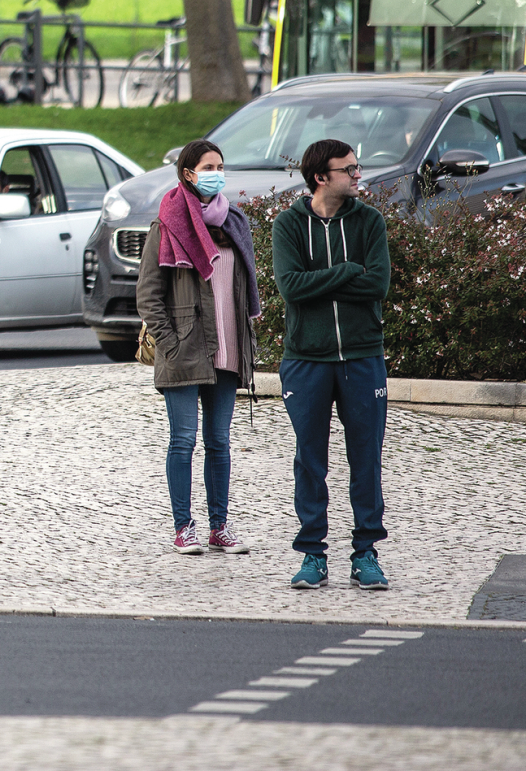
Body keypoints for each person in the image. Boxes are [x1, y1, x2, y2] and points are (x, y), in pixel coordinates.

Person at [272, 137, 393, 592]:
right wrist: (347, 271)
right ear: (321, 177)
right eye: (350, 169)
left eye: (357, 167)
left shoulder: (369, 221)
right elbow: (291, 288)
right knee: (310, 460)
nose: (358, 175)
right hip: (306, 359)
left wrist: (322, 281)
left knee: (366, 458)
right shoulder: (288, 225)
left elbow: (377, 283)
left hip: (363, 356)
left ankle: (366, 553)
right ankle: (311, 555)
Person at [137, 137, 262, 558]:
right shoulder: (168, 224)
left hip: (227, 350)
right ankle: (183, 527)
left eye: (219, 166)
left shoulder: (234, 224)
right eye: (208, 167)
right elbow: (148, 296)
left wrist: (246, 341)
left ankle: (219, 526)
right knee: (183, 440)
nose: (215, 173)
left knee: (219, 442)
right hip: (185, 350)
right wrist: (170, 343)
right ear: (188, 173)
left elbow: (244, 290)